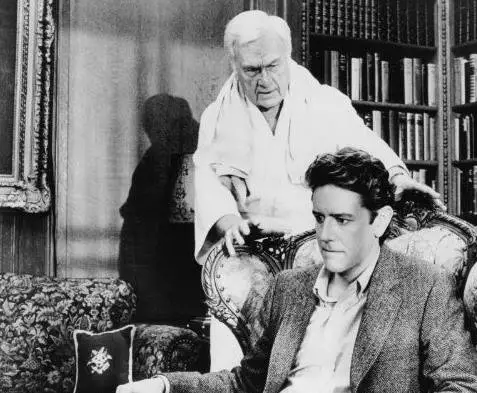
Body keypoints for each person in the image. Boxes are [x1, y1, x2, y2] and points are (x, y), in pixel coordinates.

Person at [192, 9, 442, 370]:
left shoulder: (324, 101)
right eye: (252, 70)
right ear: (235, 65)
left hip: (316, 244)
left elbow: (364, 145)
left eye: (273, 66)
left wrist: (398, 178)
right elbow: (207, 179)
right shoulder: (218, 116)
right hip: (251, 252)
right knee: (238, 361)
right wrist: (229, 222)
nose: (265, 80)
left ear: (288, 56)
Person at [117, 147, 477, 393]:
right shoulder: (288, 288)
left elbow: (458, 385)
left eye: (342, 220)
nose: (325, 234)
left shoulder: (425, 286)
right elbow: (246, 383)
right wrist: (164, 385)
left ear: (379, 221)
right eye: (319, 218)